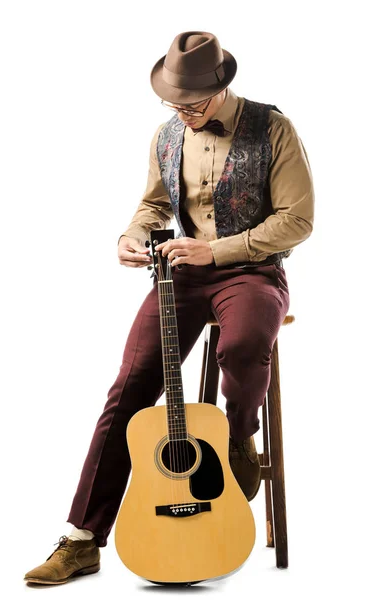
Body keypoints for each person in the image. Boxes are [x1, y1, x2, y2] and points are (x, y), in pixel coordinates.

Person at [24, 30, 314, 585]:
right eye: (172, 104)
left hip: (252, 271)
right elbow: (154, 203)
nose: (181, 113)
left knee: (244, 343)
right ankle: (81, 539)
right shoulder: (167, 135)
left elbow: (297, 220)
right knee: (129, 387)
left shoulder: (274, 129)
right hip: (179, 274)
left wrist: (218, 249)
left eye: (191, 104)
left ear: (222, 88)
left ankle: (237, 436)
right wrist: (131, 236)